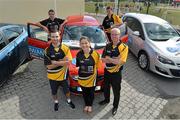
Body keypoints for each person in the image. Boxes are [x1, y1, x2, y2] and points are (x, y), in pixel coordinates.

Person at [99, 28, 128, 116]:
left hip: (116, 74)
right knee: (106, 88)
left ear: (119, 35)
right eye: (112, 34)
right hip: (107, 72)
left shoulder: (124, 47)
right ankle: (106, 100)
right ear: (110, 35)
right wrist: (114, 59)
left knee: (116, 91)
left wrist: (109, 59)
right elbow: (103, 60)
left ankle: (115, 106)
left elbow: (121, 62)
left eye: (116, 34)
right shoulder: (107, 45)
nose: (114, 36)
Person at [44, 30, 75, 111]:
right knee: (54, 92)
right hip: (52, 77)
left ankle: (69, 101)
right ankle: (56, 102)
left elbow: (68, 63)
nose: (55, 38)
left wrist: (55, 62)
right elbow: (49, 66)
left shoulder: (65, 48)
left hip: (64, 76)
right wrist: (62, 61)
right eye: (53, 36)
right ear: (50, 37)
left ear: (59, 36)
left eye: (57, 36)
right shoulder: (47, 50)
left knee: (67, 91)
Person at [76, 36, 100, 113]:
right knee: (85, 93)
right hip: (82, 79)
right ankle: (86, 104)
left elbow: (98, 66)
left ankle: (90, 105)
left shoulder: (95, 54)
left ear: (89, 43)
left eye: (86, 43)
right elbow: (78, 65)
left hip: (92, 79)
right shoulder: (78, 54)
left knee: (91, 93)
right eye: (82, 43)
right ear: (80, 45)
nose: (84, 45)